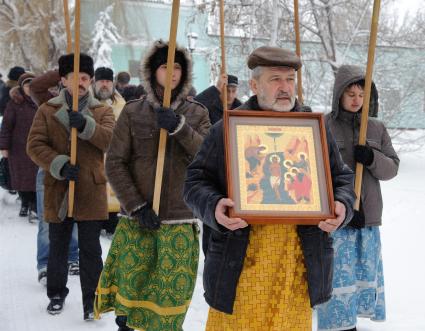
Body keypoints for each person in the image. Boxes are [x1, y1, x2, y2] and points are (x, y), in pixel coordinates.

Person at [183, 46, 356, 330]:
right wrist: (215, 207)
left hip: (296, 264)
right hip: (240, 262)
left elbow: (343, 179)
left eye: (290, 79)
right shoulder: (227, 128)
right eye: (276, 79)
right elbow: (194, 182)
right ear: (254, 84)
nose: (285, 87)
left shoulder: (313, 129)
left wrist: (342, 205)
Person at [94, 40, 211, 331]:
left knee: (170, 302)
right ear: (152, 71)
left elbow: (207, 157)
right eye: (164, 66)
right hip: (139, 221)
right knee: (130, 298)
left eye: (178, 67)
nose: (172, 73)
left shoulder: (198, 114)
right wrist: (136, 206)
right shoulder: (133, 112)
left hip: (180, 221)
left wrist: (180, 128)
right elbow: (115, 163)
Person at [26, 53, 115, 320]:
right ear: (63, 80)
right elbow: (34, 145)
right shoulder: (48, 110)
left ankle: (92, 301)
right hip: (59, 188)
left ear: (90, 81)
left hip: (90, 189)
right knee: (58, 246)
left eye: (85, 78)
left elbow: (110, 140)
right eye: (74, 77)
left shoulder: (102, 111)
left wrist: (86, 126)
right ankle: (55, 293)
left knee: (91, 250)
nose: (80, 83)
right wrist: (60, 164)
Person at [316, 65, 400, 331]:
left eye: (361, 95)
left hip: (368, 218)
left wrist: (373, 158)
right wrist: (341, 208)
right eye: (350, 93)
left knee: (362, 275)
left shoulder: (376, 128)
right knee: (337, 279)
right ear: (339, 95)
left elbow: (392, 168)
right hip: (336, 217)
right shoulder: (324, 125)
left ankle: (353, 323)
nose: (356, 99)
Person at [29, 70, 80, 286]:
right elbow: (35, 87)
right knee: (47, 220)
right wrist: (65, 67)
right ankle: (44, 263)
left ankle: (72, 257)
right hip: (49, 169)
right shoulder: (48, 104)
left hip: (77, 170)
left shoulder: (85, 104)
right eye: (70, 79)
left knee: (75, 215)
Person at [93, 66, 126, 236]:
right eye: (101, 81)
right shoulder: (87, 102)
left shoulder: (121, 104)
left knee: (113, 187)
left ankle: (112, 220)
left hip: (114, 154)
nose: (104, 85)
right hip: (93, 154)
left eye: (107, 81)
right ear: (95, 82)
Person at [0, 72, 38, 218]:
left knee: (35, 177)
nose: (29, 87)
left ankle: (34, 206)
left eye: (32, 84)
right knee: (21, 177)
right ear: (22, 87)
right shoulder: (14, 103)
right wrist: (4, 147)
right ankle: (24, 203)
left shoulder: (41, 101)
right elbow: (6, 127)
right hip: (18, 148)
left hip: (36, 146)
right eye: (26, 85)